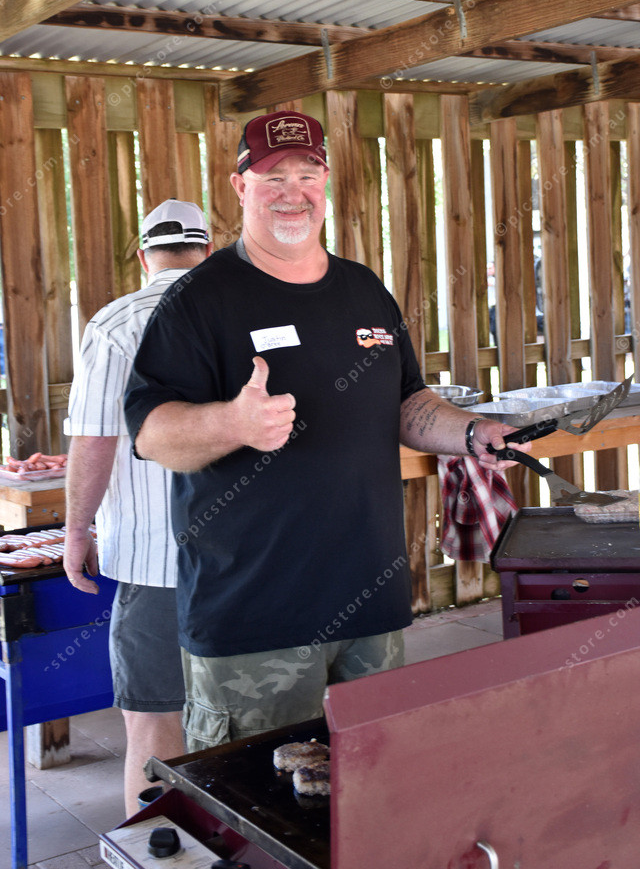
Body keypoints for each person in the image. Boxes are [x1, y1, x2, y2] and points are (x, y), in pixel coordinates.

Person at [124, 111, 527, 752]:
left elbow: (407, 400)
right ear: (240, 187)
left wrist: (472, 432)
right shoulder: (199, 300)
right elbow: (150, 434)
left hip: (371, 603)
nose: (293, 192)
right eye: (273, 177)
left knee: (372, 785)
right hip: (255, 617)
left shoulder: (364, 289)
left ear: (326, 182)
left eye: (307, 174)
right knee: (258, 801)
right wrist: (233, 422)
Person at [63, 199, 212, 815]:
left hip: (155, 561)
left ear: (145, 255)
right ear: (207, 249)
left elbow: (95, 439)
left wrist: (77, 530)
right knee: (259, 715)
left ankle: (162, 848)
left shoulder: (115, 323)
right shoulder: (245, 311)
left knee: (154, 721)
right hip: (253, 558)